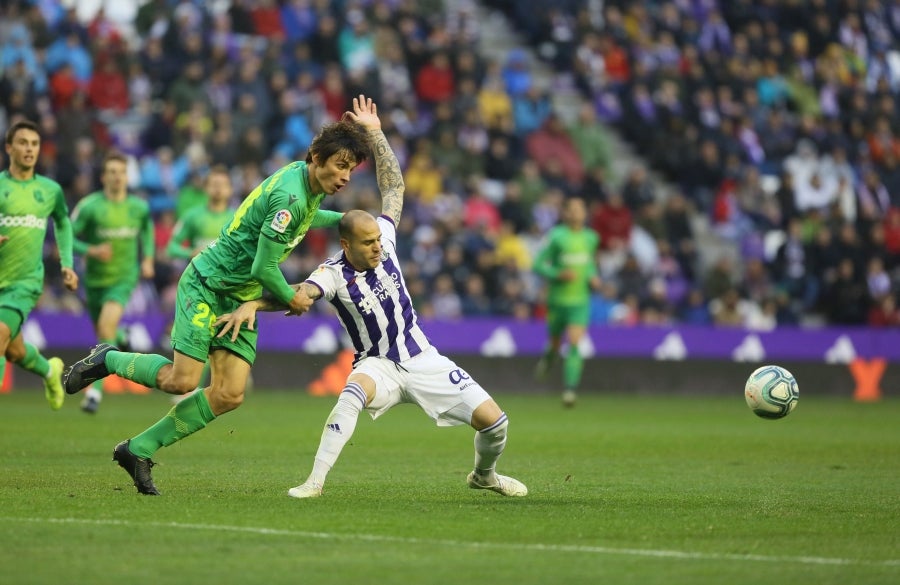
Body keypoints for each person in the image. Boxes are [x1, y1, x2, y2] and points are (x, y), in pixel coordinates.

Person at [216, 98, 527, 499]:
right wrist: (254, 304)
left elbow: (394, 186)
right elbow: (300, 296)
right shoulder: (332, 274)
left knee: (495, 422)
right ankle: (314, 481)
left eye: (379, 239)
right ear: (347, 244)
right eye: (368, 242)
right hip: (377, 365)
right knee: (352, 393)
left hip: (423, 357)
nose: (379, 247)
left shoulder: (388, 241)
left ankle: (485, 475)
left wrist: (375, 132)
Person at [62, 95, 373, 495]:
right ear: (316, 157)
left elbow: (309, 219)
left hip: (239, 298)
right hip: (208, 285)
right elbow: (265, 269)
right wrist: (291, 299)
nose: (346, 176)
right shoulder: (290, 198)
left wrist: (350, 219)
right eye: (340, 165)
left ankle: (137, 449)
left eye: (351, 169)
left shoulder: (307, 184)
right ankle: (109, 358)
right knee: (181, 381)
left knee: (229, 393)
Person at [0, 120, 79, 410]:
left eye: (34, 144)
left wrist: (67, 263)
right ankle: (50, 371)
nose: (29, 149)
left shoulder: (49, 190)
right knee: (15, 351)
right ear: (9, 147)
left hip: (24, 283)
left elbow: (62, 221)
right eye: (23, 142)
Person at [70, 151, 155, 413]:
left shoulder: (138, 207)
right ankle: (123, 336)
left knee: (105, 326)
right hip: (94, 281)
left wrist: (148, 259)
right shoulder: (90, 206)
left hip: (123, 278)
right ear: (103, 177)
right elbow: (66, 236)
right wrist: (90, 250)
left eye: (122, 172)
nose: (118, 177)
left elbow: (147, 230)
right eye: (113, 172)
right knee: (104, 333)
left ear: (127, 176)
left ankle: (95, 392)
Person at [165, 164, 237, 400]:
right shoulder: (193, 217)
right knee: (200, 336)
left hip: (228, 289)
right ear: (206, 188)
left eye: (222, 185)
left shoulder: (237, 218)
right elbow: (172, 245)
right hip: (199, 287)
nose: (217, 189)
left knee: (218, 339)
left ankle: (210, 385)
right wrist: (190, 253)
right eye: (213, 184)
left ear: (229, 189)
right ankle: (190, 386)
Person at [532, 197, 601, 407]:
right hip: (557, 300)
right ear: (566, 214)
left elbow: (588, 263)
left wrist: (593, 276)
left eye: (579, 209)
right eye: (571, 209)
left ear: (585, 213)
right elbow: (537, 264)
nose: (575, 213)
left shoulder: (591, 238)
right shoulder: (557, 236)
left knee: (574, 343)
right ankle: (549, 357)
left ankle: (569, 391)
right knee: (554, 343)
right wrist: (557, 274)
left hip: (580, 301)